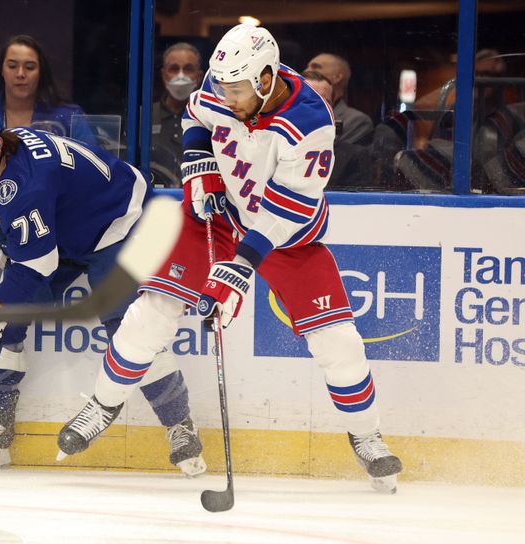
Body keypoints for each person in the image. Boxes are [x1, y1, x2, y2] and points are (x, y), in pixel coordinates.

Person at [58, 24, 403, 493]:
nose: (226, 97)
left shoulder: (310, 121)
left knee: (339, 342)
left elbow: (286, 209)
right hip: (217, 218)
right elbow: (195, 118)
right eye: (221, 87)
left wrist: (238, 269)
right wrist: (199, 166)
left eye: (236, 90)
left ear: (265, 80)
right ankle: (103, 403)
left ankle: (367, 435)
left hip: (285, 235)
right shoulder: (226, 80)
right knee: (149, 315)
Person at [0, 99, 206, 476]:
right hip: (71, 225)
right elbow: (2, 192)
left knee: (130, 330)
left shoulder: (27, 183)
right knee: (12, 315)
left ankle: (181, 427)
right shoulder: (1, 155)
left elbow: (39, 263)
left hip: (121, 223)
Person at [0, 35, 96, 184]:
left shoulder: (68, 117)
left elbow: (91, 169)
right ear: (2, 70)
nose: (20, 74)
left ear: (41, 72)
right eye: (12, 66)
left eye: (30, 67)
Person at [302, 70, 374, 189]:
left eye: (327, 102)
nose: (321, 108)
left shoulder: (354, 158)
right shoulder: (269, 146)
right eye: (310, 101)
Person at [149, 42, 203, 187]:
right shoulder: (144, 117)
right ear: (163, 74)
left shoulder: (208, 119)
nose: (181, 75)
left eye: (188, 69)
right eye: (174, 69)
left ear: (199, 76)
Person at [306, 52, 373, 145]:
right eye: (307, 67)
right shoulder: (286, 114)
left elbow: (340, 155)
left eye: (316, 67)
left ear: (337, 77)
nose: (306, 71)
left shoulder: (356, 121)